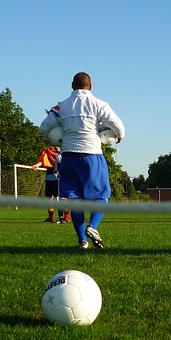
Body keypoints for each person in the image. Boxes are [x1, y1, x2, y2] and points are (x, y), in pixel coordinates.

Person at [39, 72, 125, 249]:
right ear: (91, 86)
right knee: (102, 196)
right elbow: (117, 123)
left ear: (72, 85)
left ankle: (82, 242)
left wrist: (50, 138)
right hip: (92, 156)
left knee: (75, 200)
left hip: (68, 157)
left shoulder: (61, 106)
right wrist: (120, 135)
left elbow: (44, 127)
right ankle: (92, 227)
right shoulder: (99, 104)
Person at [32, 145, 70, 224]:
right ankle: (51, 217)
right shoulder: (47, 150)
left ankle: (66, 217)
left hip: (58, 178)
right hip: (49, 177)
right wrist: (37, 165)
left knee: (63, 198)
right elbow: (43, 161)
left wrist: (51, 154)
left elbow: (58, 161)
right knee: (49, 199)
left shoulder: (60, 151)